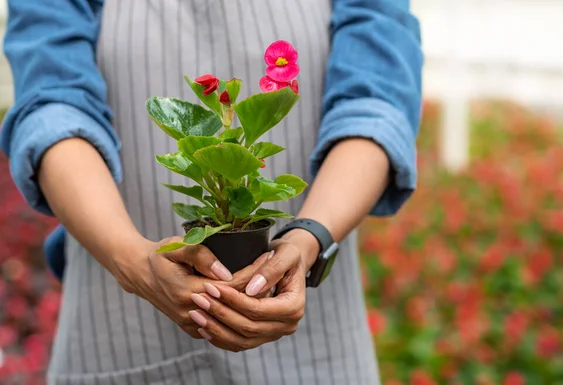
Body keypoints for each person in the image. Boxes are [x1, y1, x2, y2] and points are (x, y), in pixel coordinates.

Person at [1, 0, 422, 384]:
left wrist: (306, 237)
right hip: (123, 335)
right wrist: (134, 261)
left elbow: (375, 103)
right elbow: (53, 108)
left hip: (314, 354)